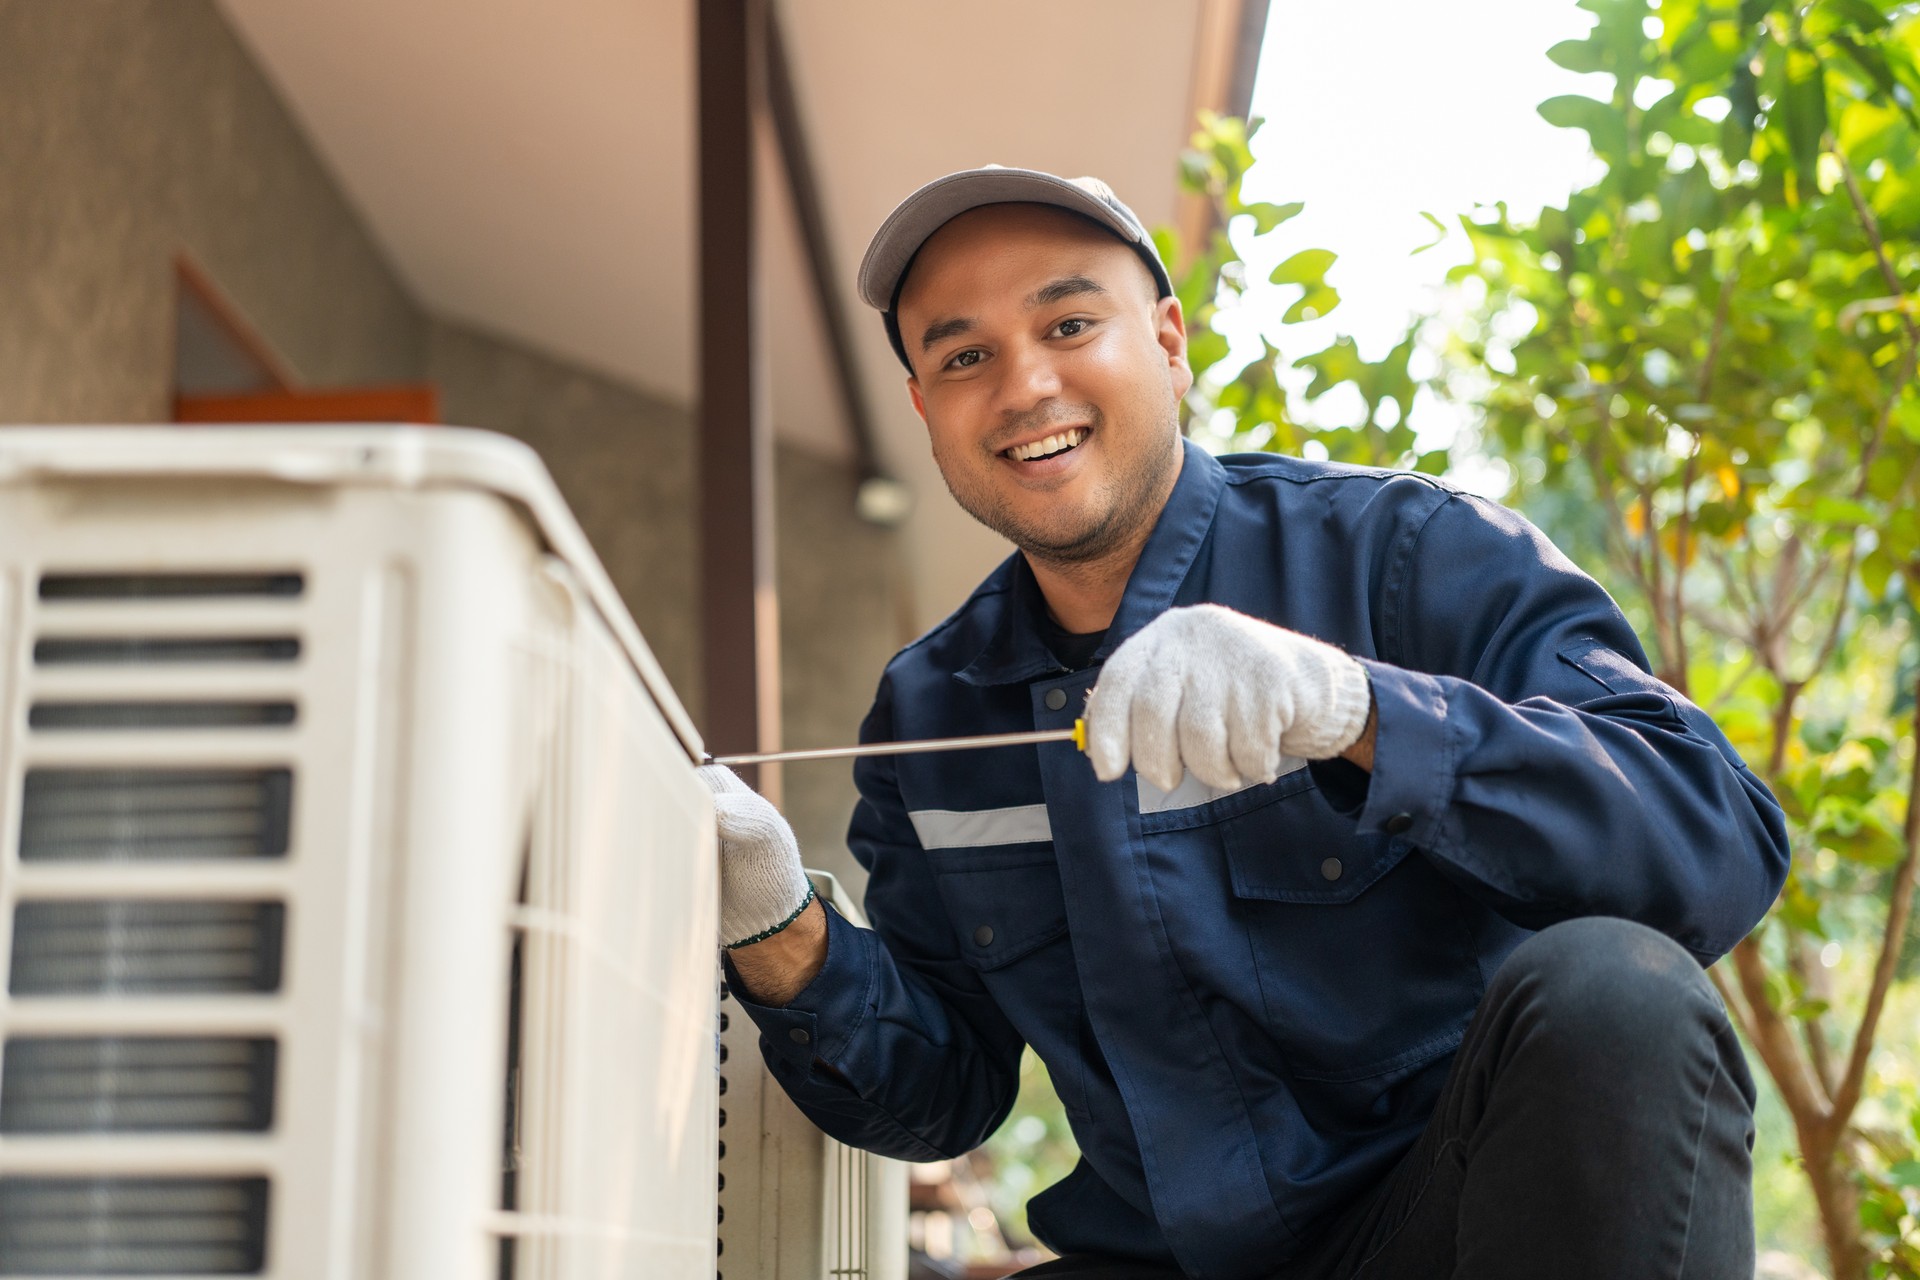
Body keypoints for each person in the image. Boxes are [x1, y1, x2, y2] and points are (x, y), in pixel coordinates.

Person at [699, 167, 1789, 1280]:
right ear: (927, 408)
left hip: (1449, 1228)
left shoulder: (1405, 555)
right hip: (1159, 1258)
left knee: (1614, 992)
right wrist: (778, 925)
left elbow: (1714, 843)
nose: (1025, 385)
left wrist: (1359, 709)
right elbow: (945, 1093)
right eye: (964, 355)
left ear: (1168, 342)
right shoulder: (930, 712)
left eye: (1069, 322)